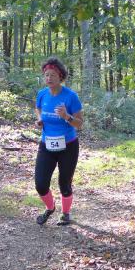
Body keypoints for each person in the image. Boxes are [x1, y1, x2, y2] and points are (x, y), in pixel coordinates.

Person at [33, 57, 84, 226]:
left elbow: (79, 124)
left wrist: (66, 116)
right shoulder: (42, 94)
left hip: (68, 146)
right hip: (47, 145)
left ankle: (66, 214)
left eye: (53, 75)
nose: (49, 78)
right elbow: (38, 108)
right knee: (41, 184)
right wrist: (40, 119)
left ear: (60, 76)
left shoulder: (71, 96)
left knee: (64, 183)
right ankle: (50, 208)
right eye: (46, 75)